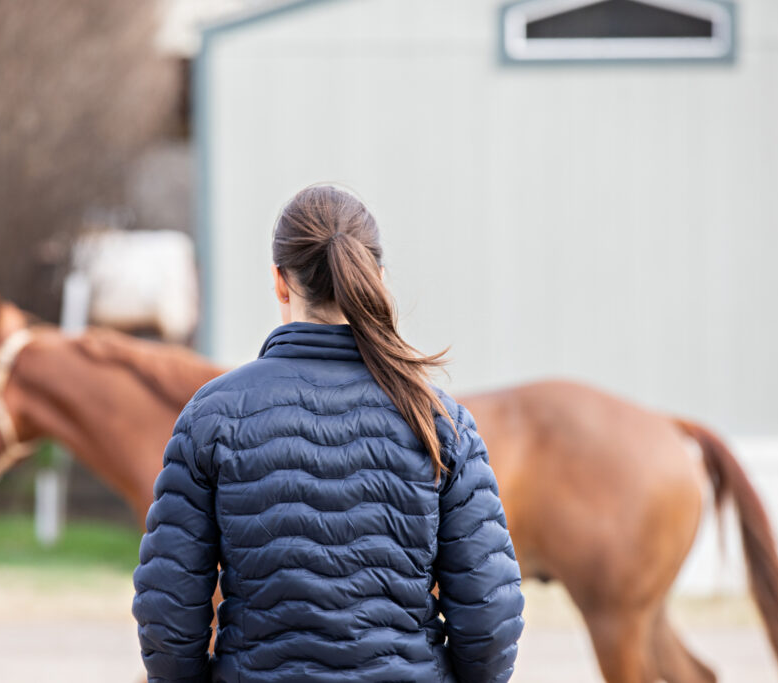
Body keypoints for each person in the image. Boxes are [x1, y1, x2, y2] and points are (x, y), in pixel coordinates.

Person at [133, 185, 524, 682]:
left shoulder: (212, 416)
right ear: (377, 280)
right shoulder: (438, 420)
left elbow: (167, 613)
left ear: (279, 282)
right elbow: (490, 620)